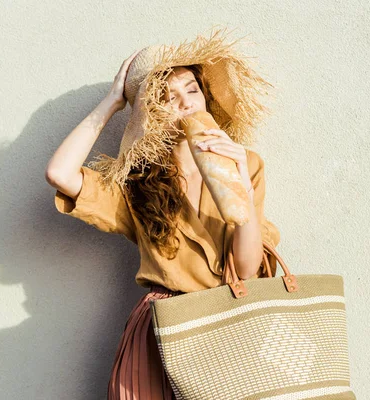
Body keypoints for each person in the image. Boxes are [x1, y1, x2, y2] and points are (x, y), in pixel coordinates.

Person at [45, 27, 280, 400]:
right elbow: (59, 174)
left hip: (227, 318)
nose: (186, 104)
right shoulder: (136, 182)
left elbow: (248, 269)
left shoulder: (245, 163)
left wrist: (242, 192)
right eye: (169, 98)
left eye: (192, 90)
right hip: (162, 331)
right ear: (152, 113)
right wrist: (112, 103)